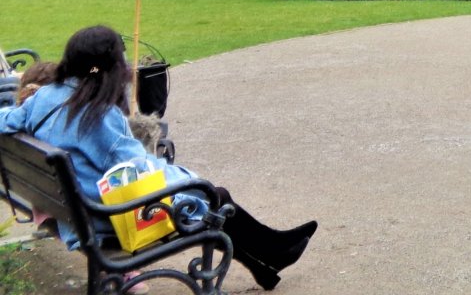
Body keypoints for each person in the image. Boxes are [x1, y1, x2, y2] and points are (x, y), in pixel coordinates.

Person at [0, 26, 316, 289]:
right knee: (211, 196)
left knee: (209, 199)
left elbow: (7, 121)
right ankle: (274, 251)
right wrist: (192, 180)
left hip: (74, 212)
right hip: (106, 221)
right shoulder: (99, 113)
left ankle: (269, 258)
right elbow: (143, 171)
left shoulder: (44, 96)